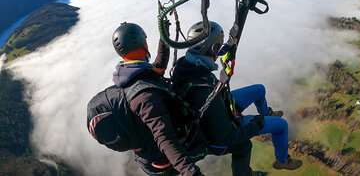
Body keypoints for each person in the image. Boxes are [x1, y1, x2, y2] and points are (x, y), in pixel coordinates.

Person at [171, 21, 303, 174]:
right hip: (220, 124)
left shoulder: (188, 64)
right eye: (218, 47)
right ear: (212, 48)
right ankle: (282, 161)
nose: (219, 51)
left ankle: (267, 113)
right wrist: (258, 123)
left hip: (221, 104)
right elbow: (226, 137)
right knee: (281, 125)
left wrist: (229, 47)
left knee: (259, 89)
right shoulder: (205, 94)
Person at [108, 21, 204, 176]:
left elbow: (159, 65)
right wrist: (190, 171)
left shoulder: (130, 73)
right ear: (143, 43)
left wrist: (164, 36)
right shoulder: (144, 95)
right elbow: (165, 138)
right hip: (162, 161)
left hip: (151, 156)